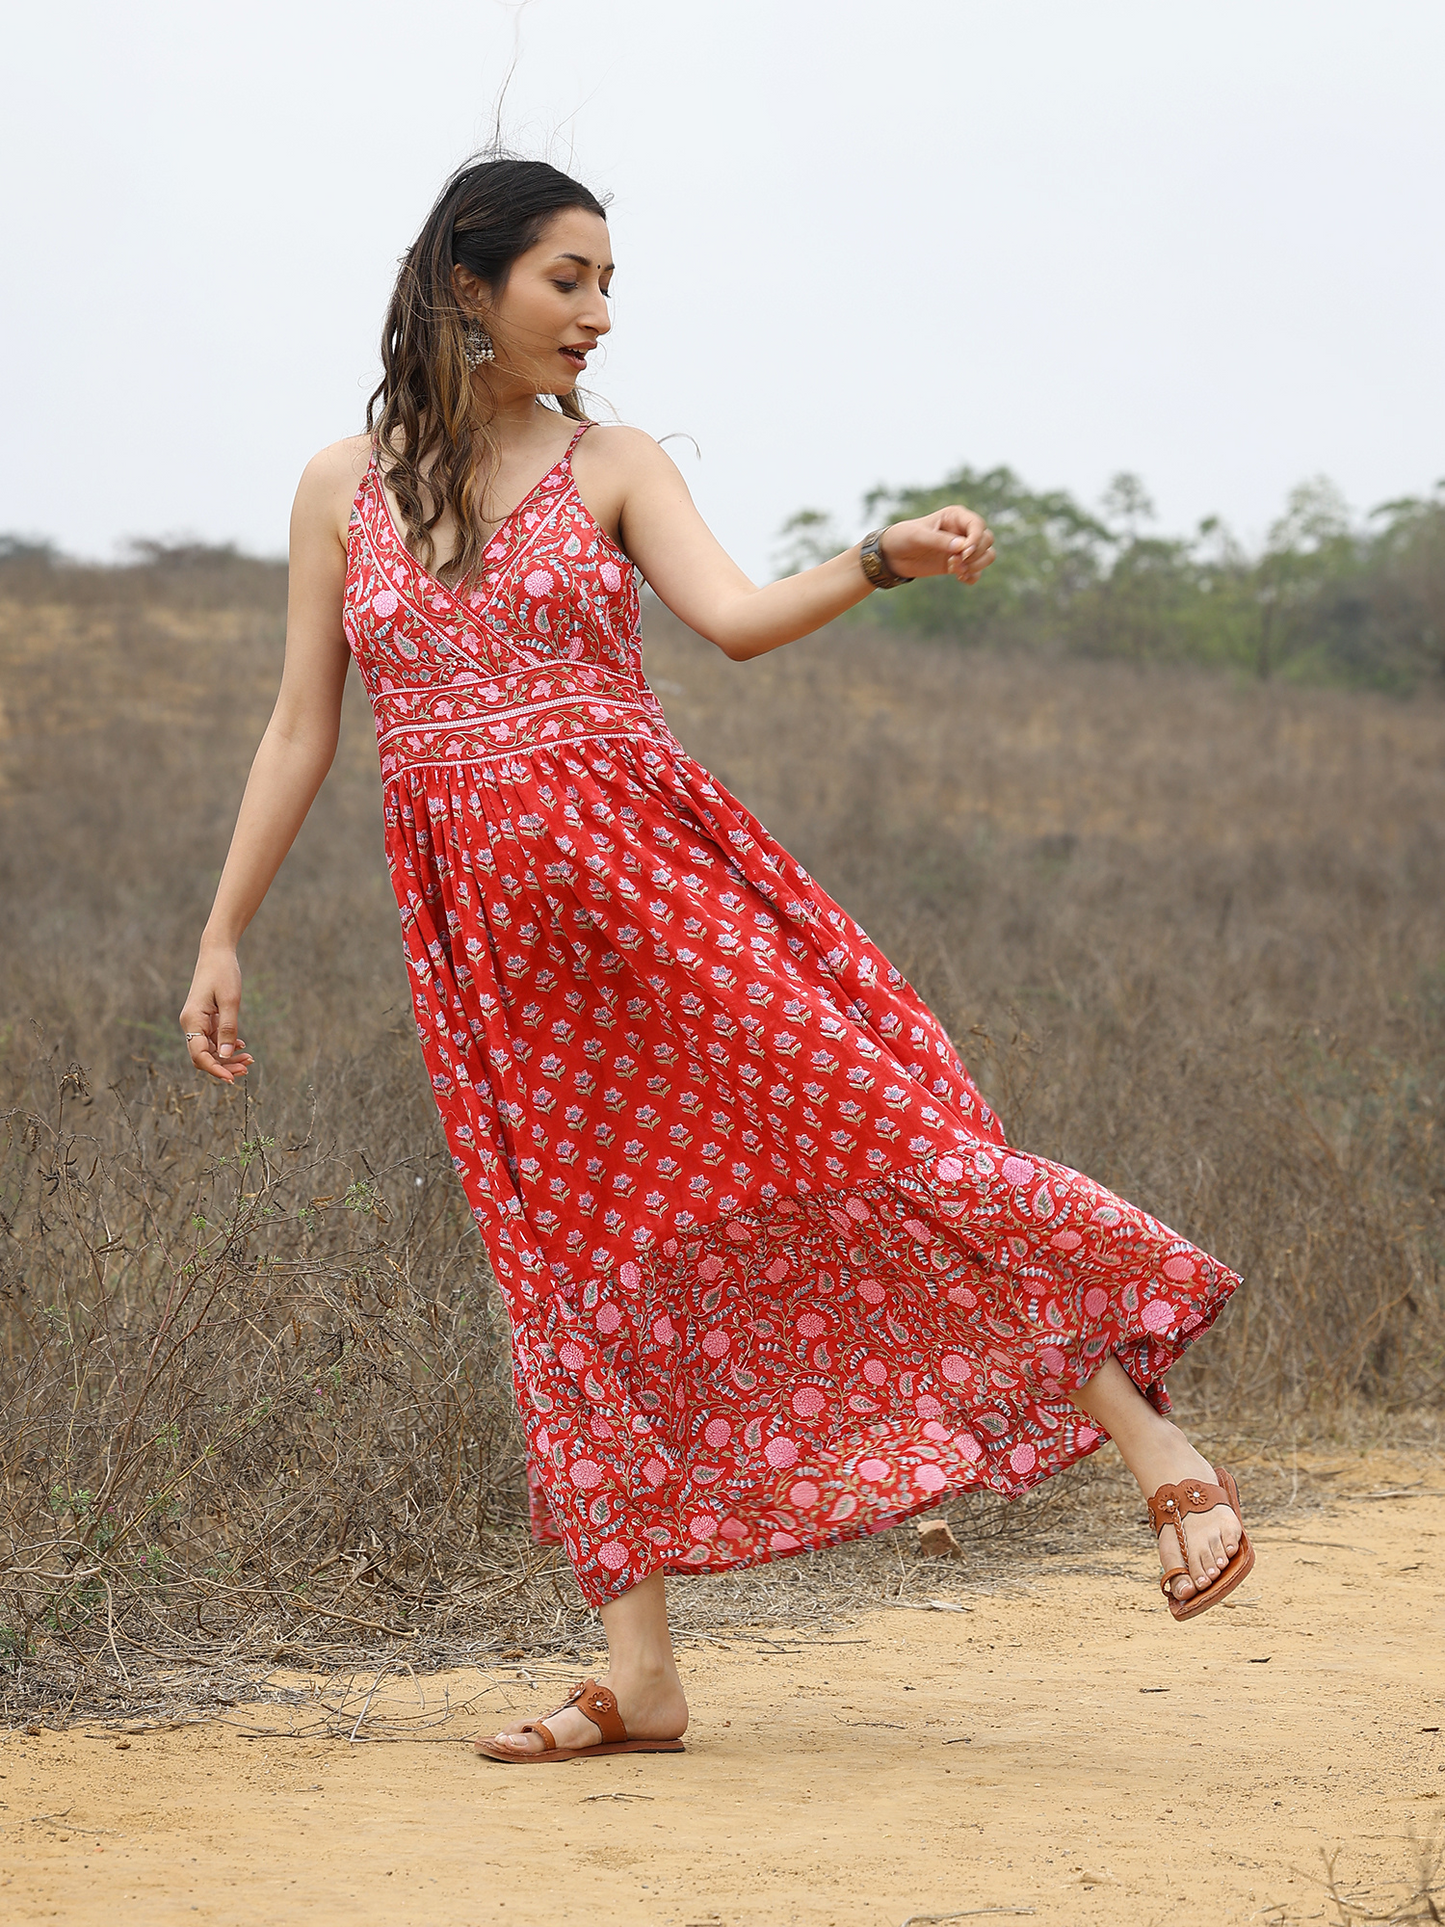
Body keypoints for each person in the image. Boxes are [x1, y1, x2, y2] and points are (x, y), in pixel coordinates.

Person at [181, 155, 1252, 1766]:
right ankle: (642, 1669)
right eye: (569, 279)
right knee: (569, 1264)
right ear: (467, 285)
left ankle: (1146, 1434)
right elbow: (300, 723)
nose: (600, 314)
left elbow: (736, 619)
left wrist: (878, 557)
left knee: (881, 1142)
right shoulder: (339, 486)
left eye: (609, 282)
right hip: (497, 959)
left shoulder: (610, 464)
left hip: (661, 889)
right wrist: (223, 929)